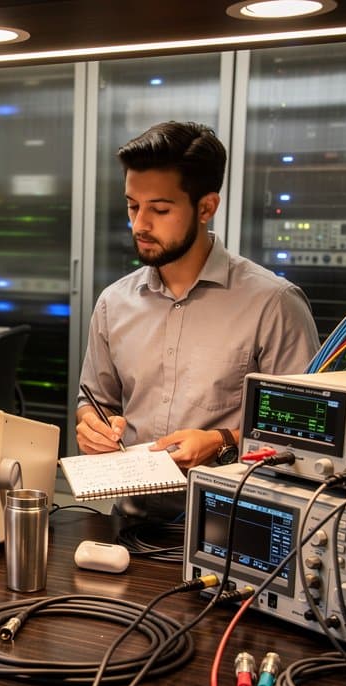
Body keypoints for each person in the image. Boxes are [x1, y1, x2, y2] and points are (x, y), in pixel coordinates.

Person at [76, 121, 319, 472]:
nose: (139, 225)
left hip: (231, 518)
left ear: (206, 208)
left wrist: (222, 442)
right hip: (131, 516)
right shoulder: (113, 303)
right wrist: (92, 426)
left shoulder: (273, 304)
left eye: (159, 210)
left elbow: (303, 431)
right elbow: (94, 400)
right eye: (132, 206)